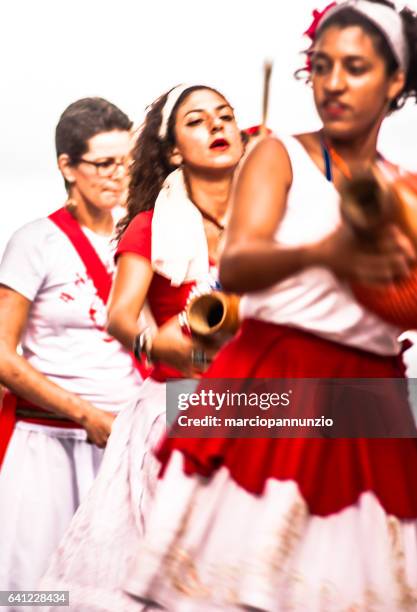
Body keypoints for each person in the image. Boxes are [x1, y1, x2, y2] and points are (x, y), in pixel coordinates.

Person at [122, 2, 417, 610]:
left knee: (355, 589)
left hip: (369, 396)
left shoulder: (405, 188)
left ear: (395, 81)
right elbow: (238, 263)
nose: (334, 81)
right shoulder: (276, 154)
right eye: (323, 65)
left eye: (355, 67)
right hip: (275, 378)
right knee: (241, 587)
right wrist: (327, 253)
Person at [39, 84, 245, 611]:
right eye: (197, 121)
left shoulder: (267, 225)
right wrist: (164, 346)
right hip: (178, 412)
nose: (217, 126)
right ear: (173, 151)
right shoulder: (152, 227)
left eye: (225, 116)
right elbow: (120, 317)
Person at [0, 97, 142, 601]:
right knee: (35, 592)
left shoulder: (143, 239)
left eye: (127, 161)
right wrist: (85, 415)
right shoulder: (34, 242)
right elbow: (1, 354)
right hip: (48, 445)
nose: (119, 175)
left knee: (118, 593)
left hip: (126, 447)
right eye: (104, 163)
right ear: (67, 165)